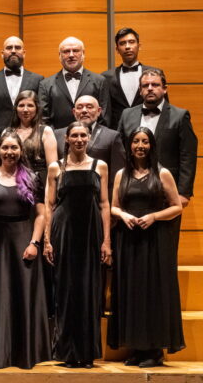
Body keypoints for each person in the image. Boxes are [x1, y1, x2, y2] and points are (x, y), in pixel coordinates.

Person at [108, 127, 185, 367]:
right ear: (130, 146)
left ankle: (154, 351)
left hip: (155, 242)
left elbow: (177, 207)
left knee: (153, 293)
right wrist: (123, 215)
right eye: (136, 142)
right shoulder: (122, 174)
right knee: (132, 292)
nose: (140, 146)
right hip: (130, 240)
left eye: (145, 142)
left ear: (151, 145)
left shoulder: (162, 173)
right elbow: (113, 206)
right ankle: (137, 348)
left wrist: (154, 217)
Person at [0, 131, 50, 369]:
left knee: (22, 295)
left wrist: (34, 243)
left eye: (14, 148)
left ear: (21, 151)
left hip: (23, 241)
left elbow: (41, 214)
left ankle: (23, 354)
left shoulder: (32, 177)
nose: (10, 152)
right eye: (5, 148)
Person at [44, 121, 111, 368]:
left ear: (89, 138)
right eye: (75, 135)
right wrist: (48, 241)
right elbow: (49, 206)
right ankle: (68, 352)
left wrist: (106, 241)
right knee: (66, 290)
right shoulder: (55, 168)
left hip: (91, 234)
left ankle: (87, 352)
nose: (79, 139)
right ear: (67, 139)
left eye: (84, 135)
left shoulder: (100, 166)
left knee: (89, 291)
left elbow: (105, 205)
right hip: (64, 233)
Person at [117, 68, 197, 207]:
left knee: (166, 229)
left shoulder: (180, 116)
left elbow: (188, 155)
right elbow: (119, 152)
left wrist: (184, 193)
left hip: (167, 190)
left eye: (155, 85)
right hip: (132, 190)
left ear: (164, 89)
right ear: (140, 91)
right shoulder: (126, 115)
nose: (149, 89)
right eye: (145, 86)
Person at [54, 95, 125, 192]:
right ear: (74, 112)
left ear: (99, 111)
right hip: (63, 198)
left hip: (98, 200)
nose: (84, 110)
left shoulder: (112, 136)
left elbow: (117, 177)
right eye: (79, 107)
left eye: (89, 107)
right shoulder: (58, 135)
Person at [38, 37, 111, 129]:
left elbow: (104, 115)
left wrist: (92, 139)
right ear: (59, 55)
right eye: (66, 51)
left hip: (92, 140)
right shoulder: (45, 84)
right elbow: (43, 118)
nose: (71, 55)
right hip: (58, 140)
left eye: (76, 50)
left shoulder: (100, 81)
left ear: (83, 54)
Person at [0, 36, 44, 135]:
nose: (13, 51)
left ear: (24, 53)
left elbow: (40, 113)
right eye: (9, 48)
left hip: (30, 139)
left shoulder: (37, 80)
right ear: (2, 54)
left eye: (18, 48)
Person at [102, 28, 157, 129]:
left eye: (131, 42)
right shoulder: (106, 77)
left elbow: (164, 106)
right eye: (122, 43)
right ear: (117, 49)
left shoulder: (155, 74)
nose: (127, 47)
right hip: (117, 134)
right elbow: (105, 112)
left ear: (139, 46)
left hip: (149, 131)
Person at [8, 90, 57, 185]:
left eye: (30, 105)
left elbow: (53, 169)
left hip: (39, 185)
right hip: (13, 184)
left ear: (37, 109)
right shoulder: (8, 132)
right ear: (16, 109)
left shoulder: (46, 131)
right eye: (21, 105)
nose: (25, 110)